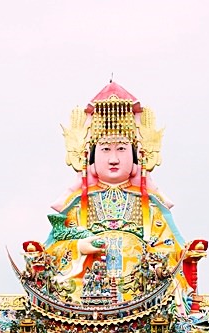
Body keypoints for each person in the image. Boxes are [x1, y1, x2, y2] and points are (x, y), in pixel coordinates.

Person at [40, 83, 196, 307]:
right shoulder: (78, 205)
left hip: (142, 294)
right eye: (105, 150)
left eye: (121, 149)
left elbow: (169, 247)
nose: (113, 159)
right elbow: (52, 251)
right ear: (92, 157)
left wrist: (153, 261)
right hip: (88, 293)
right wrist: (78, 248)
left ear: (135, 157)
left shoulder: (149, 206)